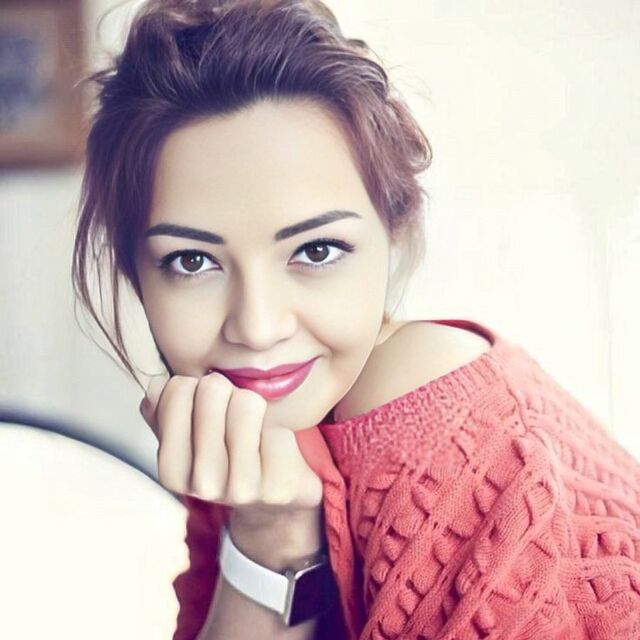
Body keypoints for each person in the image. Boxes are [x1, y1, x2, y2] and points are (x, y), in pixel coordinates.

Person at [72, 1, 640, 638]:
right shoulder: (238, 422)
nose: (257, 327)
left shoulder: (430, 400)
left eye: (316, 251)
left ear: (392, 235)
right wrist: (270, 537)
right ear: (137, 273)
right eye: (193, 261)